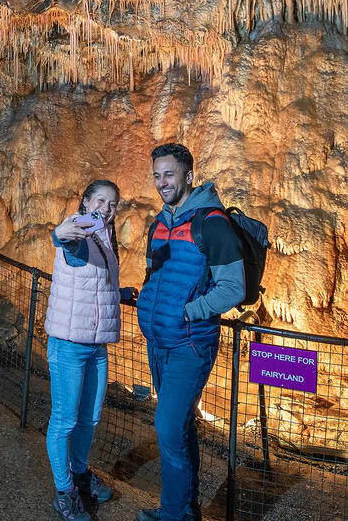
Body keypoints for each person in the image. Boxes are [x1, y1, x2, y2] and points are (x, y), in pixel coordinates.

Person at [136, 144, 245, 521]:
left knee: (166, 429)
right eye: (157, 175)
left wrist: (189, 312)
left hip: (190, 344)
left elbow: (234, 287)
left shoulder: (211, 222)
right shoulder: (160, 223)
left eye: (169, 174)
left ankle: (173, 515)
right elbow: (155, 274)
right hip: (159, 343)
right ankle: (184, 510)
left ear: (188, 176)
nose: (162, 182)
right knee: (179, 429)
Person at [45, 179, 137, 521]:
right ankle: (64, 490)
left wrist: (121, 293)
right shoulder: (79, 231)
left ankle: (81, 473)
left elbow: (94, 284)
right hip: (69, 344)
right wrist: (60, 232)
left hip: (96, 342)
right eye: (101, 201)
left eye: (113, 204)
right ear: (85, 202)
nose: (107, 208)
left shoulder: (103, 235)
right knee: (65, 420)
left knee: (90, 418)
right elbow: (63, 239)